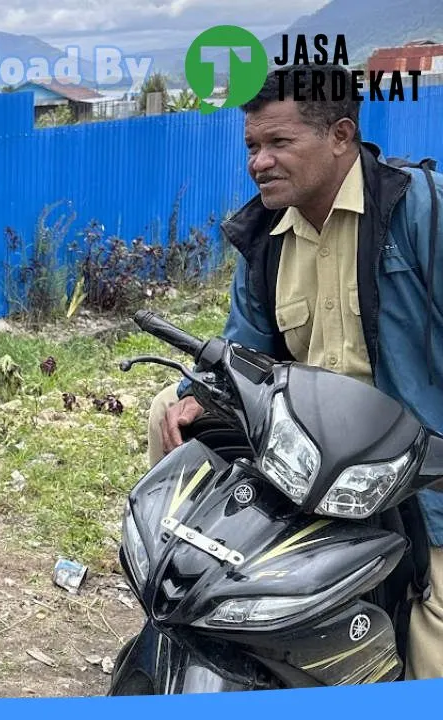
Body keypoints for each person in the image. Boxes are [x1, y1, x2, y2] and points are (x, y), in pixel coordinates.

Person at [145, 65, 443, 679]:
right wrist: (198, 397)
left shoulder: (416, 214)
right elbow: (243, 349)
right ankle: (195, 591)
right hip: (309, 455)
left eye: (279, 143)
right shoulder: (265, 236)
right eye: (252, 146)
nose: (259, 162)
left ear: (341, 135)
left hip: (420, 470)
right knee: (165, 412)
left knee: (433, 625)